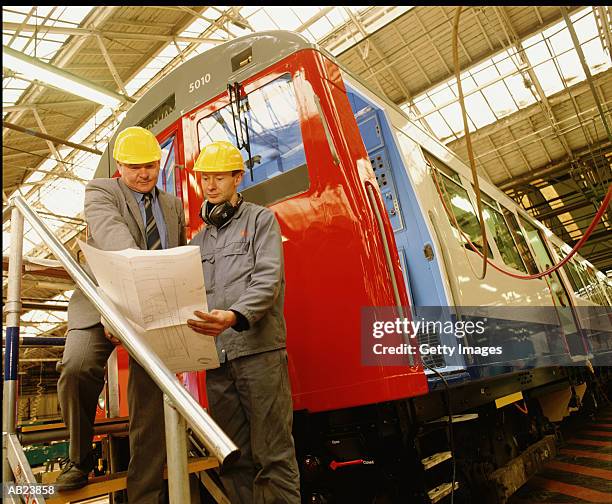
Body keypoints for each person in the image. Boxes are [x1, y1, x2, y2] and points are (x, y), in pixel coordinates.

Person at [55, 126, 186, 503]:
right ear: (119, 167)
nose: (144, 174)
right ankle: (78, 459)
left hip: (150, 308)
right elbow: (115, 242)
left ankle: (144, 494)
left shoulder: (172, 205)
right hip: (100, 302)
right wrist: (120, 310)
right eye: (135, 168)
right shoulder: (100, 192)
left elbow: (171, 256)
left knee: (150, 399)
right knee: (77, 367)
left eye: (150, 166)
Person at [187, 140, 301, 503]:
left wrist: (234, 316)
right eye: (205, 178)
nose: (209, 185)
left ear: (238, 178)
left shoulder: (261, 220)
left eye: (218, 177)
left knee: (273, 454)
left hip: (258, 353)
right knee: (232, 456)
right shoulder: (197, 241)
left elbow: (268, 280)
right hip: (218, 361)